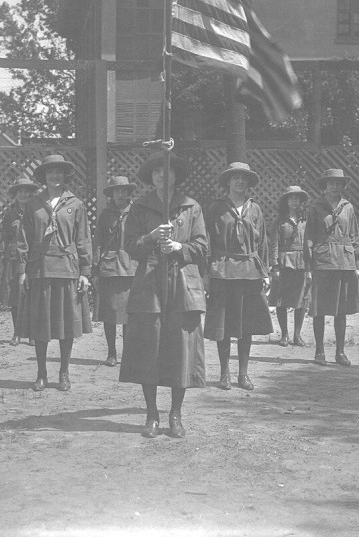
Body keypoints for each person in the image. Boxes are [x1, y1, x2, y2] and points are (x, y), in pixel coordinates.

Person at [119, 152, 207, 439]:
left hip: (182, 285)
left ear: (175, 175)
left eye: (166, 170)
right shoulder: (140, 207)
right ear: (151, 177)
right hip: (150, 285)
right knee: (150, 349)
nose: (161, 175)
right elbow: (130, 246)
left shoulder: (191, 207)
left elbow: (203, 247)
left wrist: (180, 249)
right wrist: (151, 237)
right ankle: (152, 415)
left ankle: (175, 415)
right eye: (156, 171)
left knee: (180, 350)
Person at [17, 154, 92, 392]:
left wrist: (85, 271)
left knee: (65, 325)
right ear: (43, 176)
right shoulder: (33, 203)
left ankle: (64, 373)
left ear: (65, 175)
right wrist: (23, 270)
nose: (55, 176)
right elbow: (24, 239)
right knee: (41, 325)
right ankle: (41, 374)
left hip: (67, 270)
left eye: (59, 172)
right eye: (50, 172)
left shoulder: (76, 204)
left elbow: (83, 240)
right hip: (40, 269)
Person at [204, 162, 273, 391]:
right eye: (235, 178)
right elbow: (207, 242)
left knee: (247, 324)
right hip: (222, 271)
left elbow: (262, 242)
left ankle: (243, 374)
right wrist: (206, 272)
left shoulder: (255, 209)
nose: (240, 182)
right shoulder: (216, 208)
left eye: (244, 178)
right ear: (228, 182)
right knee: (224, 324)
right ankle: (224, 373)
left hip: (250, 273)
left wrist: (266, 271)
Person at [304, 168, 359, 367]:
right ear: (324, 185)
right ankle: (319, 351)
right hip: (322, 262)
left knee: (341, 310)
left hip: (344, 263)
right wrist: (308, 266)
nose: (335, 187)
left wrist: (357, 264)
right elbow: (308, 237)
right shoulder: (315, 207)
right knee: (319, 308)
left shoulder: (349, 207)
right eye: (331, 183)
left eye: (338, 183)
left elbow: (355, 237)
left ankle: (340, 352)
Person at [94, 175, 138, 367]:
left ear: (129, 193)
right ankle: (111, 353)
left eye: (124, 190)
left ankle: (129, 352)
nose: (121, 194)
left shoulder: (137, 212)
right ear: (111, 194)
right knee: (110, 312)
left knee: (130, 313)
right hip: (110, 267)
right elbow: (98, 241)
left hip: (132, 267)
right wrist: (95, 267)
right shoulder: (106, 215)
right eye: (116, 191)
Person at [0, 176, 39, 347]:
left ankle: (32, 334)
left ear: (31, 193)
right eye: (20, 191)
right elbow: (5, 237)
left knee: (32, 296)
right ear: (15, 194)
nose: (23, 194)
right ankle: (16, 332)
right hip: (14, 258)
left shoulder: (37, 212)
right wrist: (5, 256)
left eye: (26, 191)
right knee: (15, 296)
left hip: (33, 258)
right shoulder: (10, 214)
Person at [269, 185, 310, 347]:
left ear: (301, 201)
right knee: (282, 300)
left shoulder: (306, 221)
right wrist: (275, 266)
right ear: (286, 201)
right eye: (291, 198)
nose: (294, 201)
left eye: (297, 198)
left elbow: (310, 244)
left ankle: (297, 335)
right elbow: (274, 245)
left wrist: (310, 266)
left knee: (301, 300)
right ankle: (284, 335)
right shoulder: (279, 222)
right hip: (284, 264)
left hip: (302, 263)